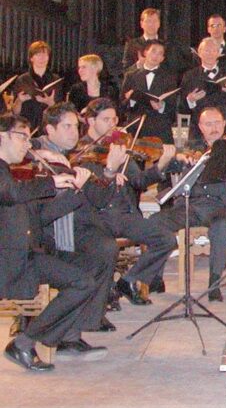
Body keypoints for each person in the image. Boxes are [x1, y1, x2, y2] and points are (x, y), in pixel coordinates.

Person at [0, 113, 99, 372]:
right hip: (9, 260)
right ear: (3, 136)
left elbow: (39, 217)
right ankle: (26, 341)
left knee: (88, 273)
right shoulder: (5, 176)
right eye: (22, 136)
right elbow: (11, 193)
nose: (28, 144)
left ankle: (31, 341)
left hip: (27, 253)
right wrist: (51, 181)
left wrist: (73, 191)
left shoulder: (10, 173)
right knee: (81, 282)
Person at [30, 103, 120, 351]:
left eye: (75, 126)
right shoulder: (36, 152)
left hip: (76, 227)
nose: (73, 132)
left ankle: (77, 328)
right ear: (49, 129)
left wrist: (110, 172)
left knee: (107, 248)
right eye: (66, 126)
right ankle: (62, 332)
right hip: (48, 231)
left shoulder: (80, 156)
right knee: (88, 258)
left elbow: (99, 200)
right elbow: (19, 148)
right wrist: (40, 153)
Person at [77, 98, 179, 305]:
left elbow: (139, 181)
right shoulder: (82, 151)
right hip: (97, 217)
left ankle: (129, 280)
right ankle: (101, 297)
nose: (112, 124)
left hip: (124, 214)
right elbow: (89, 189)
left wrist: (160, 166)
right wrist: (110, 172)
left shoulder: (119, 146)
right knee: (105, 249)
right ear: (90, 121)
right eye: (106, 119)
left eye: (114, 119)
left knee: (167, 239)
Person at [149, 106, 226, 301]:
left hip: (220, 206)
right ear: (200, 127)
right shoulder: (190, 147)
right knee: (157, 221)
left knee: (222, 227)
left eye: (217, 123)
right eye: (208, 124)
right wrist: (176, 159)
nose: (214, 128)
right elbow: (166, 169)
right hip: (190, 204)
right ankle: (155, 276)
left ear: (224, 124)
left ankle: (214, 283)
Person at [121, 40, 179, 144]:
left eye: (160, 53)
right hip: (136, 128)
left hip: (160, 129)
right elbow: (121, 105)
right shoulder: (131, 76)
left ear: (162, 59)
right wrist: (132, 99)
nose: (156, 56)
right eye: (153, 51)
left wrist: (162, 106)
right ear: (145, 52)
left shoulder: (169, 78)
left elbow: (173, 107)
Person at [180, 37, 226, 142]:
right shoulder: (189, 75)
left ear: (218, 53)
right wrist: (190, 100)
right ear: (199, 53)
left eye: (213, 50)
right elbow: (181, 106)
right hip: (198, 130)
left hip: (224, 128)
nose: (210, 54)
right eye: (206, 50)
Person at [12, 41, 64, 133]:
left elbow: (61, 112)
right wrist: (19, 100)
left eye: (45, 55)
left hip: (48, 126)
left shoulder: (56, 79)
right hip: (27, 124)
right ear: (31, 58)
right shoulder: (23, 79)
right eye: (38, 55)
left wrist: (50, 103)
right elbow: (15, 112)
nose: (42, 58)